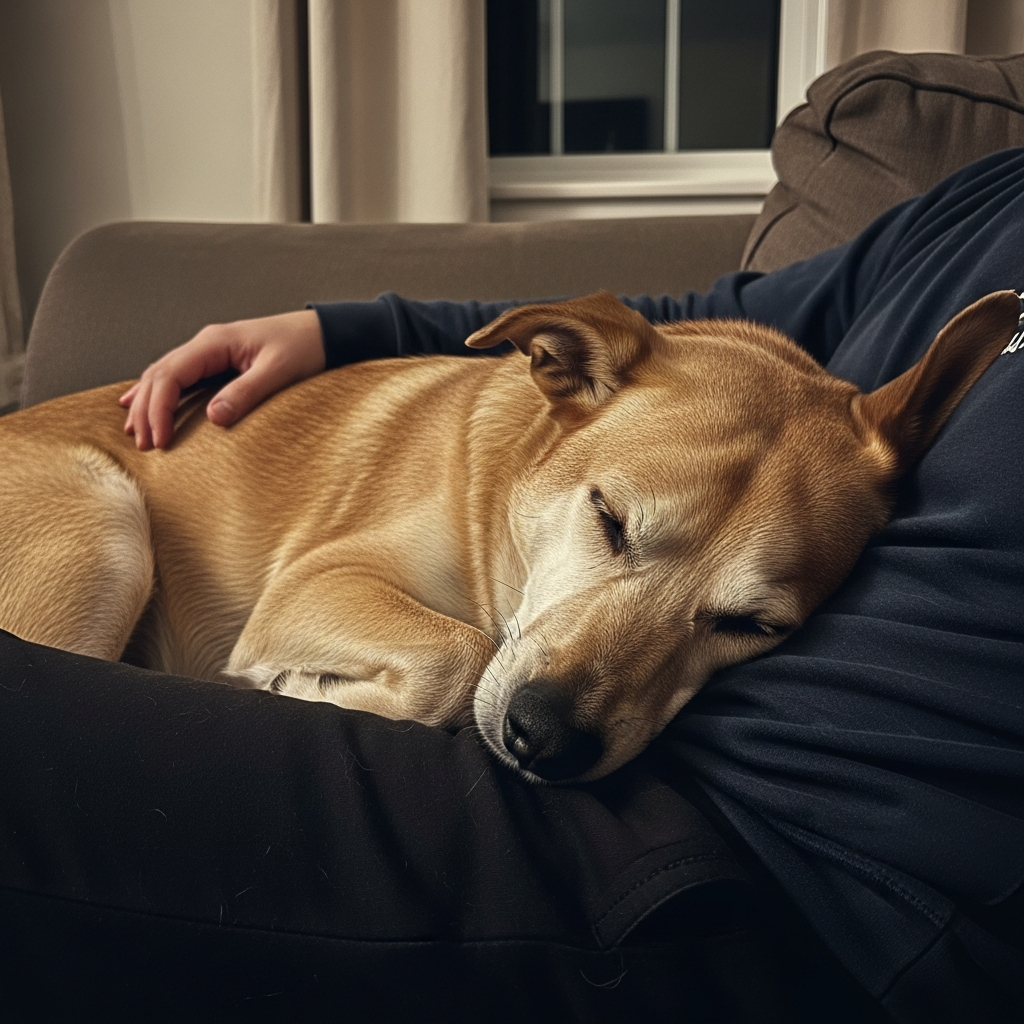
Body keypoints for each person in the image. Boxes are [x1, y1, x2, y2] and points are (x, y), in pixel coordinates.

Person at [2, 150, 1022, 1023]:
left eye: (743, 620)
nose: (590, 688)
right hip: (78, 495)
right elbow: (710, 325)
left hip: (794, 891)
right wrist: (346, 326)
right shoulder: (979, 200)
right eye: (612, 526)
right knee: (98, 548)